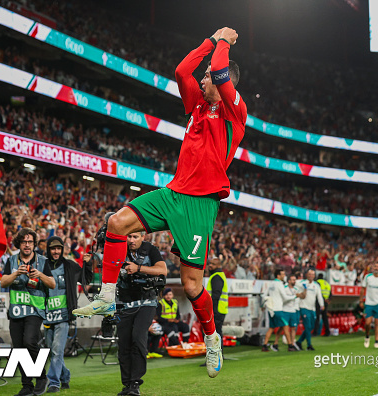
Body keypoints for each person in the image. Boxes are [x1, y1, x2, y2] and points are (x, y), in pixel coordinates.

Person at [72, 26, 247, 378]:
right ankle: (107, 294)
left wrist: (224, 43)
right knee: (116, 223)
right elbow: (182, 71)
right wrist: (210, 41)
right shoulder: (196, 106)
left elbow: (223, 70)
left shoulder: (234, 110)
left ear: (223, 81)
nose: (203, 78)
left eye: (208, 76)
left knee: (192, 285)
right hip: (173, 193)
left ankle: (212, 338)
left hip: (201, 204)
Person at [0, 228, 56, 396]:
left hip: (35, 309)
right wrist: (16, 273)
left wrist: (39, 275)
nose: (27, 245)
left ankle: (41, 377)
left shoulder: (42, 261)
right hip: (16, 310)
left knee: (29, 341)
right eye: (24, 242)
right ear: (19, 243)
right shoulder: (11, 261)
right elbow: (3, 282)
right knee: (18, 348)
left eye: (30, 242)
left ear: (34, 244)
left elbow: (52, 284)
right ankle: (26, 385)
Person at [116, 231, 167, 396]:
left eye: (135, 237)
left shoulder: (150, 249)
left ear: (143, 237)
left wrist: (138, 268)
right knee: (123, 344)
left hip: (147, 302)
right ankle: (127, 384)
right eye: (129, 237)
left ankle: (136, 383)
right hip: (124, 303)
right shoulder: (119, 249)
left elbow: (162, 270)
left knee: (138, 337)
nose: (131, 240)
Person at [44, 236, 92, 393]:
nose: (56, 251)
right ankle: (65, 376)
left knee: (57, 350)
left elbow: (86, 279)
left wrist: (87, 264)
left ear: (63, 249)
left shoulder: (70, 266)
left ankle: (53, 383)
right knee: (52, 351)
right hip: (47, 315)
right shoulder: (42, 265)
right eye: (53, 248)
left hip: (64, 316)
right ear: (48, 250)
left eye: (58, 248)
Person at [262, 269, 303, 352]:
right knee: (286, 326)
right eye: (283, 274)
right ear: (278, 276)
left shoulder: (271, 283)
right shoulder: (279, 284)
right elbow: (285, 297)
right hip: (278, 309)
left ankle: (265, 345)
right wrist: (295, 296)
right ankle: (290, 345)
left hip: (271, 309)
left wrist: (262, 305)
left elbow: (264, 295)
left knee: (271, 328)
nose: (284, 276)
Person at [360, 262, 378, 348]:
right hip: (369, 303)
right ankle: (367, 336)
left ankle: (376, 341)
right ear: (372, 268)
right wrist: (361, 301)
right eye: (375, 266)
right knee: (367, 323)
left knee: (377, 323)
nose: (376, 268)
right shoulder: (368, 277)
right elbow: (363, 289)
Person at [296, 270, 324, 351]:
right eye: (309, 274)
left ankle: (299, 342)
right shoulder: (302, 283)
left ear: (314, 276)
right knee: (307, 326)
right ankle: (309, 345)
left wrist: (322, 305)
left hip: (312, 308)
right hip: (304, 307)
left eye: (313, 274)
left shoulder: (316, 285)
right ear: (306, 275)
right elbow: (294, 283)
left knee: (311, 326)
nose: (311, 276)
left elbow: (319, 296)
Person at [283, 275, 302, 349]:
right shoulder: (284, 289)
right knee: (286, 328)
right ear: (289, 281)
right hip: (285, 310)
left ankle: (292, 343)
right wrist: (294, 297)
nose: (294, 281)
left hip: (293, 310)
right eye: (293, 280)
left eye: (295, 280)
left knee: (293, 327)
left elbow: (300, 297)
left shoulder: (296, 289)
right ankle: (289, 343)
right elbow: (284, 299)